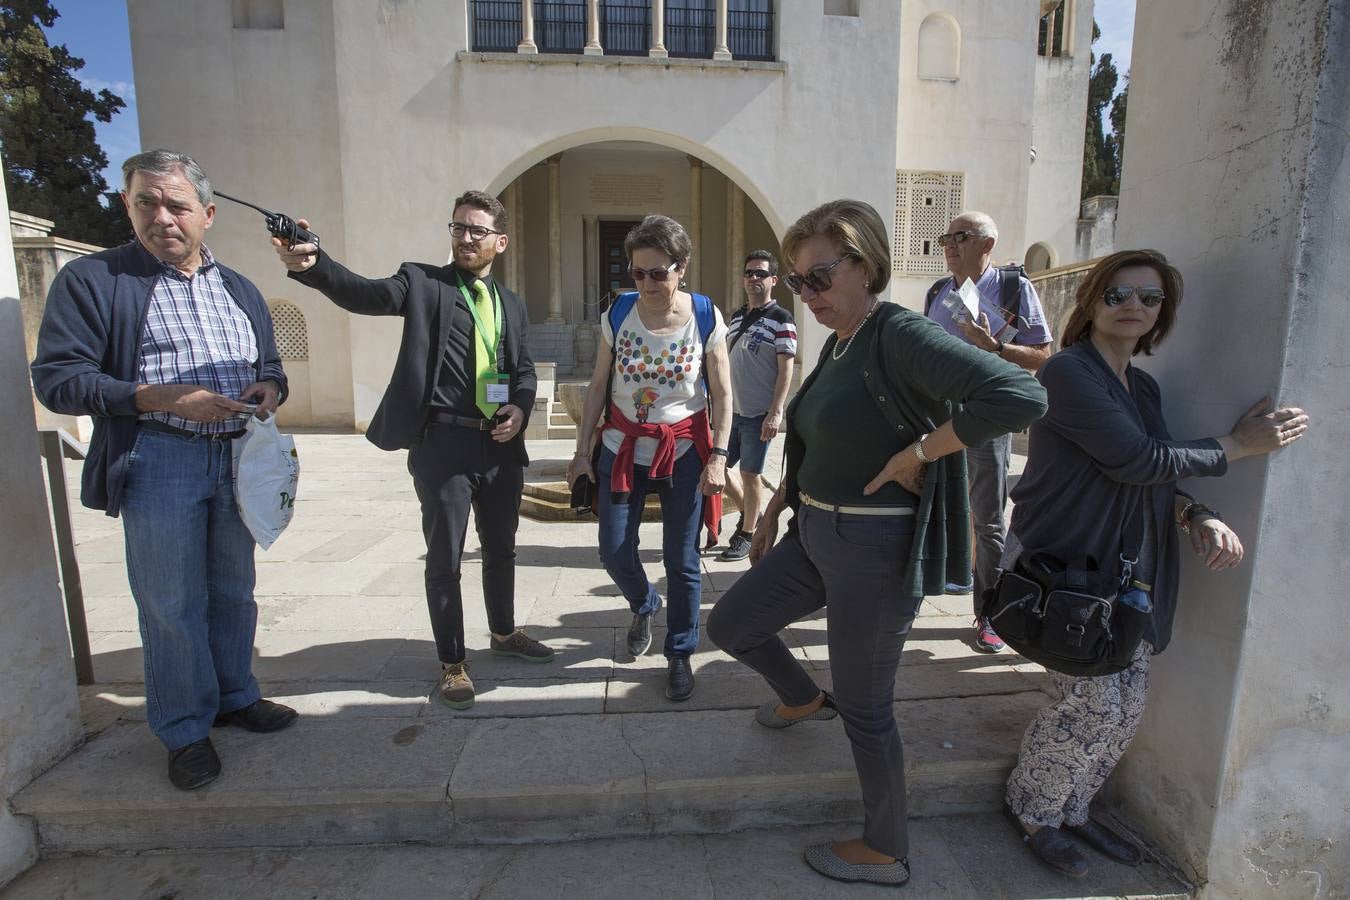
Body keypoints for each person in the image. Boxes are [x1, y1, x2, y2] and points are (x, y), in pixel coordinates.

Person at [707, 199, 1047, 886]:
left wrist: (922, 449)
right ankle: (803, 697)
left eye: (821, 276)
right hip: (815, 531)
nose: (809, 295)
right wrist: (775, 508)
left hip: (876, 549)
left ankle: (888, 849)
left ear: (865, 264)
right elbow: (815, 438)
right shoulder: (840, 341)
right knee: (733, 623)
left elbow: (1019, 394)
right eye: (799, 282)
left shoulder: (894, 332)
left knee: (866, 708)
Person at [999, 250, 1309, 876]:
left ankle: (1073, 809)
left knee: (1128, 705)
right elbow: (1136, 460)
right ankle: (1032, 807)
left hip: (1128, 571)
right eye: (1117, 294)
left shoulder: (1142, 386)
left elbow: (1155, 475)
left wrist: (1197, 516)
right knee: (1092, 705)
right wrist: (1238, 446)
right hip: (1068, 571)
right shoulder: (1068, 372)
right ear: (1090, 302)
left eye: (1149, 297)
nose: (1134, 306)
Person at [31, 150, 295, 791]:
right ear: (128, 206)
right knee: (171, 602)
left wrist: (268, 388)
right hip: (159, 458)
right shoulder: (95, 282)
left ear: (206, 214)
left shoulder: (239, 287)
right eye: (147, 202)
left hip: (236, 457)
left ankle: (235, 695)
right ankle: (184, 730)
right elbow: (59, 380)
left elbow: (273, 367)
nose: (162, 217)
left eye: (177, 205)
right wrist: (161, 396)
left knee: (234, 591)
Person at [272, 190, 552, 711]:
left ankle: (504, 632)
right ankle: (451, 661)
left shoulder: (511, 303)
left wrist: (520, 405)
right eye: (458, 228)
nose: (465, 238)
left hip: (500, 445)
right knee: (445, 556)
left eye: (477, 230)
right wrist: (314, 264)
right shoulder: (424, 282)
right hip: (443, 443)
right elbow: (364, 294)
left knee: (501, 549)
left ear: (500, 241)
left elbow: (525, 369)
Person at [568, 215, 732, 702]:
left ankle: (679, 651)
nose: (647, 284)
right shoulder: (618, 314)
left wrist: (719, 455)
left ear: (682, 268)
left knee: (682, 559)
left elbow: (722, 392)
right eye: (637, 274)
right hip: (621, 447)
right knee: (614, 549)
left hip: (682, 450)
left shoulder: (705, 315)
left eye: (658, 273)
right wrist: (581, 452)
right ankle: (644, 602)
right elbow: (599, 385)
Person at [926, 211, 1053, 653]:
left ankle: (991, 614)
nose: (949, 245)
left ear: (987, 244)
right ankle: (946, 580)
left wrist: (995, 347)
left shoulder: (1015, 288)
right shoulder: (938, 292)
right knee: (937, 508)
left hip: (989, 414)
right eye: (946, 237)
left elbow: (1043, 358)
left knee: (988, 519)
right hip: (939, 415)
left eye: (960, 236)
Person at [718, 250, 797, 562]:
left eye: (761, 274)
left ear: (773, 280)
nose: (754, 278)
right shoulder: (737, 316)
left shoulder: (782, 320)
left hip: (757, 415)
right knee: (718, 467)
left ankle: (748, 535)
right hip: (732, 413)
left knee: (751, 475)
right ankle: (749, 514)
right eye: (749, 273)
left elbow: (786, 369)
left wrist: (776, 412)